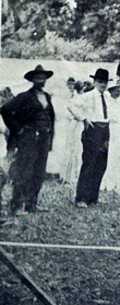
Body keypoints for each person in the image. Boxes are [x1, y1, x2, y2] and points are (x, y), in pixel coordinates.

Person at [0, 65, 55, 215]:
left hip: (44, 138)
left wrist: (50, 139)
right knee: (24, 171)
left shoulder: (47, 97)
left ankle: (31, 204)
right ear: (32, 80)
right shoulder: (24, 96)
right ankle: (17, 205)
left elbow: (51, 118)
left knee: (39, 172)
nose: (40, 80)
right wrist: (18, 129)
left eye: (42, 77)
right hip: (29, 138)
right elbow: (5, 110)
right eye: (37, 77)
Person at [70, 68, 113, 207]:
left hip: (105, 130)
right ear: (94, 82)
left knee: (101, 164)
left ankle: (93, 197)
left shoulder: (106, 96)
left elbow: (111, 112)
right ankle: (81, 198)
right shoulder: (88, 95)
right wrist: (83, 118)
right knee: (89, 163)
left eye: (105, 82)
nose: (102, 85)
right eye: (100, 82)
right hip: (93, 130)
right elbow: (71, 106)